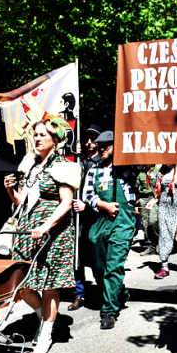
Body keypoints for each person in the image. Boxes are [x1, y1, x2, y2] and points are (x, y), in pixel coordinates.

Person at [3, 118, 80, 353]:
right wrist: (10, 190)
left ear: (55, 140)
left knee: (48, 287)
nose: (36, 139)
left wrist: (46, 225)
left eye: (42, 135)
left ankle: (45, 333)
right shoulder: (32, 165)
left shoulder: (63, 166)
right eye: (35, 135)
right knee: (23, 285)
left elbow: (66, 203)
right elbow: (22, 202)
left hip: (53, 233)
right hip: (28, 231)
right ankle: (45, 319)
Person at [81, 130, 139, 329]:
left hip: (123, 221)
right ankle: (120, 292)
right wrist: (102, 204)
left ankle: (109, 311)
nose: (102, 148)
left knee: (113, 266)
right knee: (98, 267)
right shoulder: (93, 170)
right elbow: (87, 194)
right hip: (99, 221)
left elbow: (142, 162)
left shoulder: (128, 169)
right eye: (100, 145)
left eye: (108, 144)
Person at [69, 124, 103, 311]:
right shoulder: (78, 161)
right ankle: (79, 293)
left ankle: (104, 289)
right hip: (77, 217)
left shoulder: (102, 162)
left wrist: (88, 205)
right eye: (86, 139)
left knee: (97, 257)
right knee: (77, 257)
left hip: (95, 216)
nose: (89, 143)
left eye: (93, 139)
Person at [153, 164, 177, 279]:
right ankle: (164, 267)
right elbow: (157, 191)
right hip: (164, 207)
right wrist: (153, 201)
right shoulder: (160, 171)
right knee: (164, 235)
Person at [136, 164, 160, 255]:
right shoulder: (140, 173)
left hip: (154, 198)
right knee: (145, 222)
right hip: (143, 198)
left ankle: (157, 241)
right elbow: (136, 187)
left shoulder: (157, 171)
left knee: (153, 221)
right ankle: (149, 245)